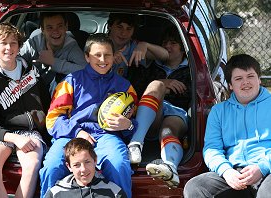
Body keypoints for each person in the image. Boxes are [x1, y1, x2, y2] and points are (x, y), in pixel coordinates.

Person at [39, 33, 138, 198]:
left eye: (107, 55)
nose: (102, 59)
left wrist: (127, 125)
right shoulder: (70, 81)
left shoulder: (125, 87)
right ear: (86, 56)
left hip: (107, 136)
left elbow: (134, 124)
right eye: (97, 55)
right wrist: (77, 132)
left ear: (114, 57)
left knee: (119, 165)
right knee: (52, 166)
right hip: (71, 135)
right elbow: (53, 119)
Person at [183, 54, 271, 198]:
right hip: (233, 172)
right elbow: (211, 149)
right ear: (230, 85)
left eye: (250, 76)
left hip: (267, 171)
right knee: (195, 187)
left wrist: (262, 167)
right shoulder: (219, 111)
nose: (246, 82)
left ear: (259, 79)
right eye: (238, 79)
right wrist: (226, 171)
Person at [0, 22, 50, 198]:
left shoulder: (32, 71)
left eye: (13, 43)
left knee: (32, 165)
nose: (8, 48)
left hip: (30, 132)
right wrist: (14, 138)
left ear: (19, 46)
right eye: (3, 43)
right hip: (2, 133)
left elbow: (47, 106)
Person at [127, 25, 190, 188]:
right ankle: (135, 145)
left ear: (183, 48)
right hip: (153, 113)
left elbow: (187, 93)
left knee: (168, 130)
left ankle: (170, 166)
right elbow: (139, 90)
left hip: (177, 113)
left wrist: (159, 88)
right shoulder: (152, 66)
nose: (168, 47)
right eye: (165, 43)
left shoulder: (190, 69)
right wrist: (164, 84)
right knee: (156, 84)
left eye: (173, 43)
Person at [19, 12, 87, 94]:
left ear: (66, 27)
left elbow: (86, 70)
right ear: (42, 30)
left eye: (60, 26)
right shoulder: (34, 42)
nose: (55, 31)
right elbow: (15, 59)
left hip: (59, 93)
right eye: (49, 28)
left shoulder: (71, 46)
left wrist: (53, 62)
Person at [45, 138, 127, 198]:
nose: (83, 169)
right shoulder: (55, 194)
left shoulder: (114, 192)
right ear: (69, 166)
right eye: (77, 165)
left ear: (95, 160)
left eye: (87, 162)